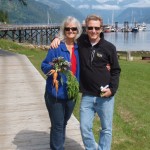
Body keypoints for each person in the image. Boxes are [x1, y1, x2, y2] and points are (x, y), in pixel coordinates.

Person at [50, 14, 121, 150]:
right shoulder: (81, 42)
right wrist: (56, 38)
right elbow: (68, 35)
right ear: (86, 28)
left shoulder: (109, 47)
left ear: (101, 28)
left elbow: (116, 70)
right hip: (87, 95)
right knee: (84, 127)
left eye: (96, 28)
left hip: (105, 96)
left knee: (106, 129)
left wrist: (112, 89)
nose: (93, 31)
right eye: (90, 28)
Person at [41, 16, 82, 150]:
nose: (70, 31)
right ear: (63, 30)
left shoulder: (79, 48)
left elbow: (98, 42)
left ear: (78, 30)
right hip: (56, 94)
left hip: (71, 94)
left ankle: (59, 145)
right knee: (58, 125)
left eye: (73, 28)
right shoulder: (57, 47)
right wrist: (54, 69)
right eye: (67, 28)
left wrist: (106, 65)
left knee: (63, 123)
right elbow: (44, 65)